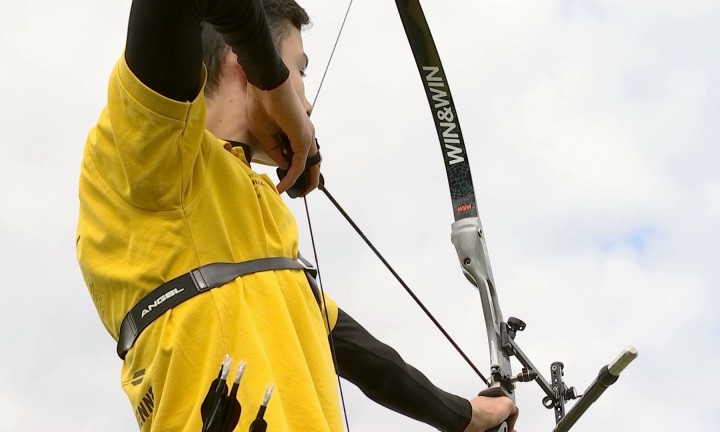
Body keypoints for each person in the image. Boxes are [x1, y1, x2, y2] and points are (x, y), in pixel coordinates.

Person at [76, 0, 518, 431]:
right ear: (243, 60)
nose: (305, 102)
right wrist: (276, 87)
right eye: (299, 70)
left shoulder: (260, 207)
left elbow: (365, 358)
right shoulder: (149, 155)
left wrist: (463, 415)